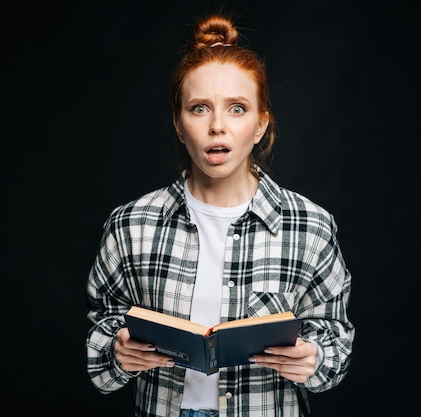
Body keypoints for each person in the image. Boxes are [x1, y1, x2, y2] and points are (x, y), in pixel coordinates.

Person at [86, 12, 355, 417]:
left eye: (237, 108)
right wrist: (118, 353)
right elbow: (99, 342)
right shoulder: (130, 225)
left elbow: (336, 344)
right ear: (178, 124)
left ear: (261, 123)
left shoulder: (311, 227)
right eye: (198, 108)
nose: (217, 126)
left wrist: (313, 359)